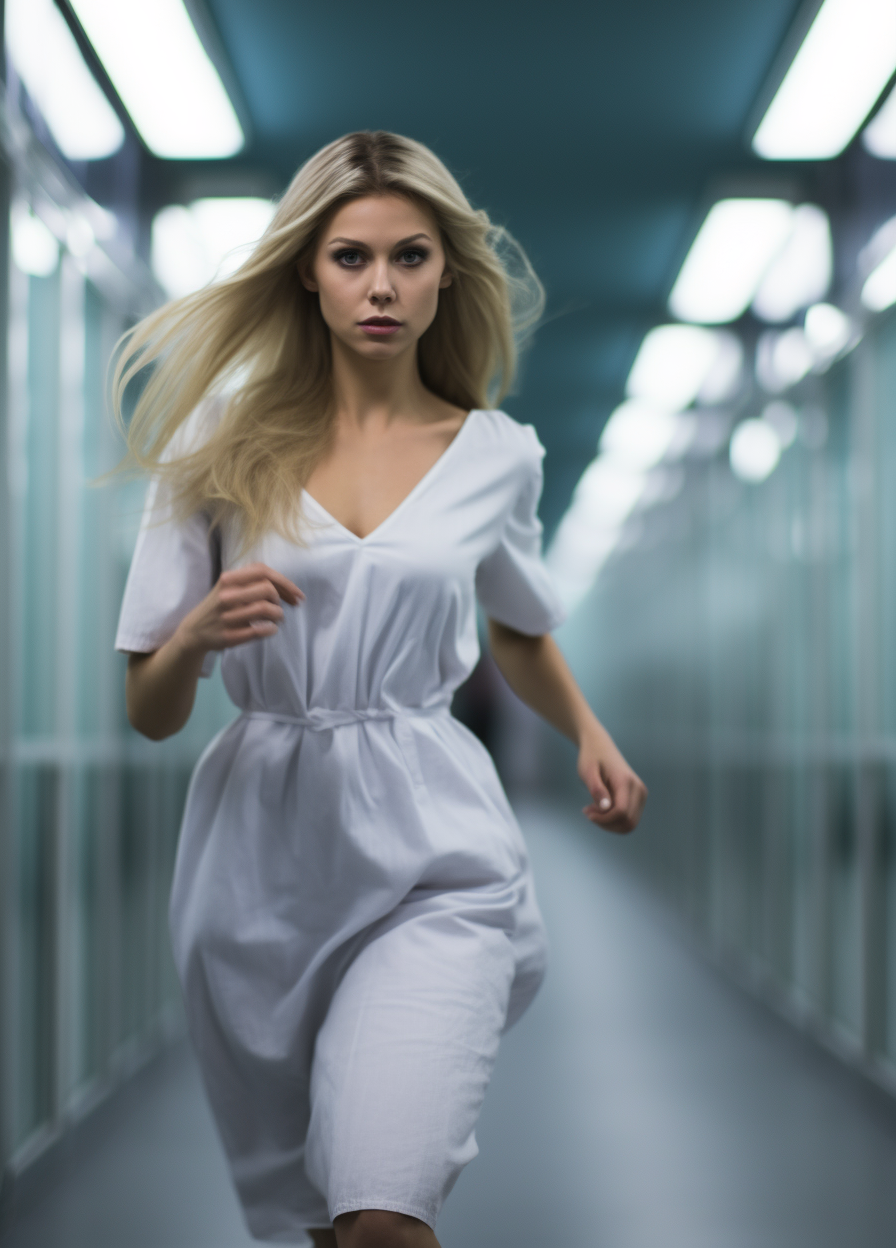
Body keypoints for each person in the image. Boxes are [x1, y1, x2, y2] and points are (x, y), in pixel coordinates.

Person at [113, 130, 646, 1248]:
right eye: (351, 258)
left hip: (434, 854)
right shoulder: (215, 442)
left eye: (408, 257)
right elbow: (150, 710)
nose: (380, 288)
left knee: (380, 1216)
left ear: (444, 271)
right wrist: (198, 634)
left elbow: (516, 626)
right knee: (320, 1224)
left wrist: (588, 731)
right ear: (307, 269)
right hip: (256, 861)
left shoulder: (495, 453)